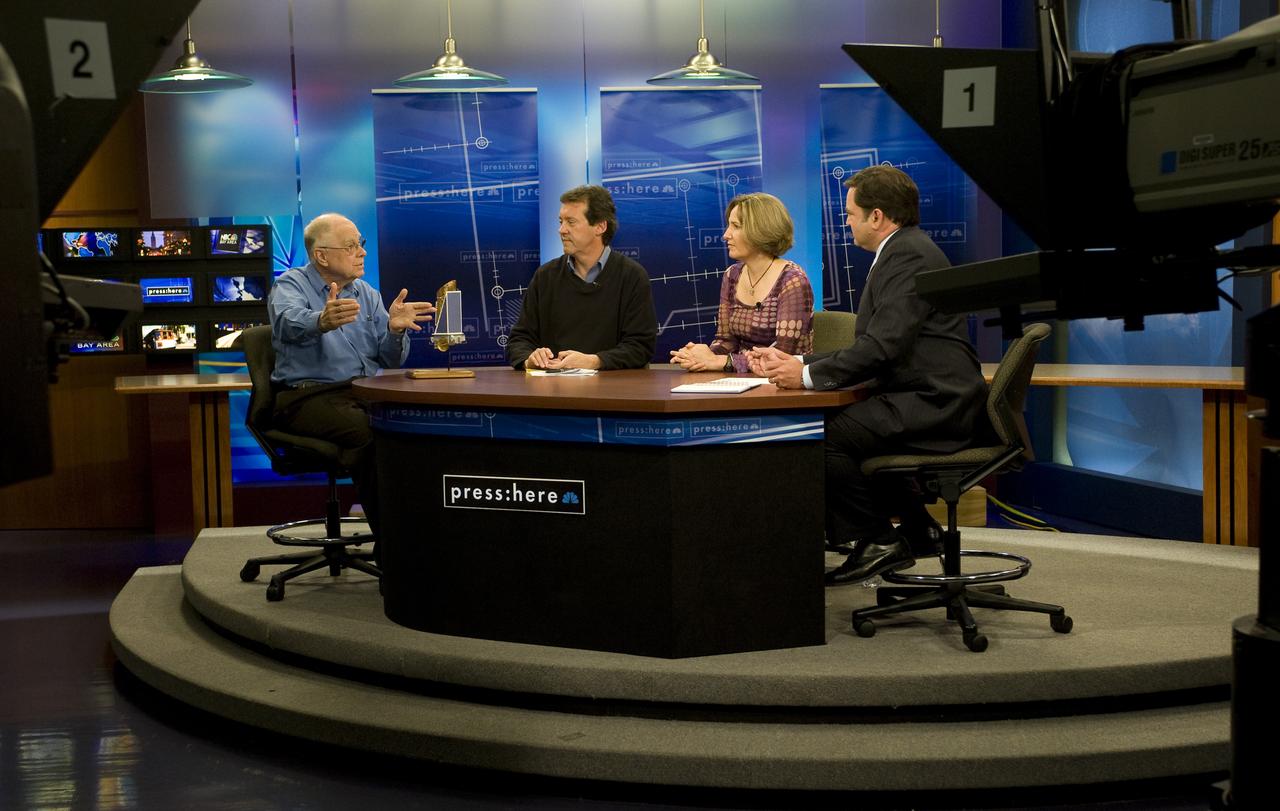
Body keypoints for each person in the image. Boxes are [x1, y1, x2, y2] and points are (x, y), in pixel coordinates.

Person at [749, 166, 989, 585]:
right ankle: (917, 527)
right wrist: (800, 363)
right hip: (923, 394)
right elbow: (875, 343)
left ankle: (879, 539)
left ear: (876, 216)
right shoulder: (904, 251)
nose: (846, 222)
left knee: (822, 435)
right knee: (845, 428)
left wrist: (805, 377)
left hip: (936, 402)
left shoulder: (909, 255)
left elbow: (883, 347)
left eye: (850, 214)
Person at [268, 213, 436, 545]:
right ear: (321, 255)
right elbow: (287, 322)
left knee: (411, 430)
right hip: (308, 396)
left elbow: (390, 360)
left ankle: (422, 534)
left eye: (361, 243)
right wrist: (320, 320)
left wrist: (394, 331)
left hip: (362, 393)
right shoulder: (291, 284)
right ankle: (395, 547)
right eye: (351, 246)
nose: (362, 252)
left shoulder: (367, 293)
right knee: (372, 436)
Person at [506, 185, 657, 370]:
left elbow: (640, 347)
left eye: (571, 222)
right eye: (561, 221)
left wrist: (594, 361)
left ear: (600, 227)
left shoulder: (632, 276)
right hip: (555, 385)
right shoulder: (545, 276)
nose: (561, 230)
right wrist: (530, 358)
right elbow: (519, 340)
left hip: (613, 386)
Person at [670, 192, 813, 372]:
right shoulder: (732, 275)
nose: (725, 235)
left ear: (761, 231)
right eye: (728, 225)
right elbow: (726, 341)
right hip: (740, 378)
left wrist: (721, 362)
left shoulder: (792, 281)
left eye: (735, 226)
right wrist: (701, 356)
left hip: (781, 380)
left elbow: (782, 356)